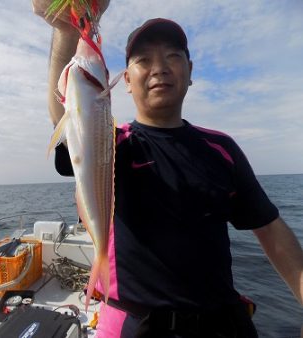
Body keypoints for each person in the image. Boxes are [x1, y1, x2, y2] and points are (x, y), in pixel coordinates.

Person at [32, 1, 303, 337]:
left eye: (172, 56)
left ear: (189, 72)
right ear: (126, 81)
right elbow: (68, 119)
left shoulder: (222, 149)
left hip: (223, 325)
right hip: (137, 326)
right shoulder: (113, 145)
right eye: (144, 60)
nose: (159, 68)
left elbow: (272, 231)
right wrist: (65, 31)